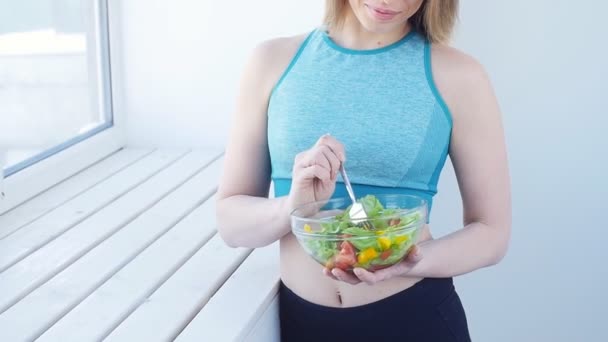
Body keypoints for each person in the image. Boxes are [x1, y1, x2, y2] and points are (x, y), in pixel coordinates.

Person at [216, 0, 511, 340]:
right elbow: (231, 222)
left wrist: (408, 261)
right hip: (302, 325)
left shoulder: (460, 75)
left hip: (415, 320)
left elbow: (492, 233)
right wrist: (291, 205)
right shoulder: (270, 62)